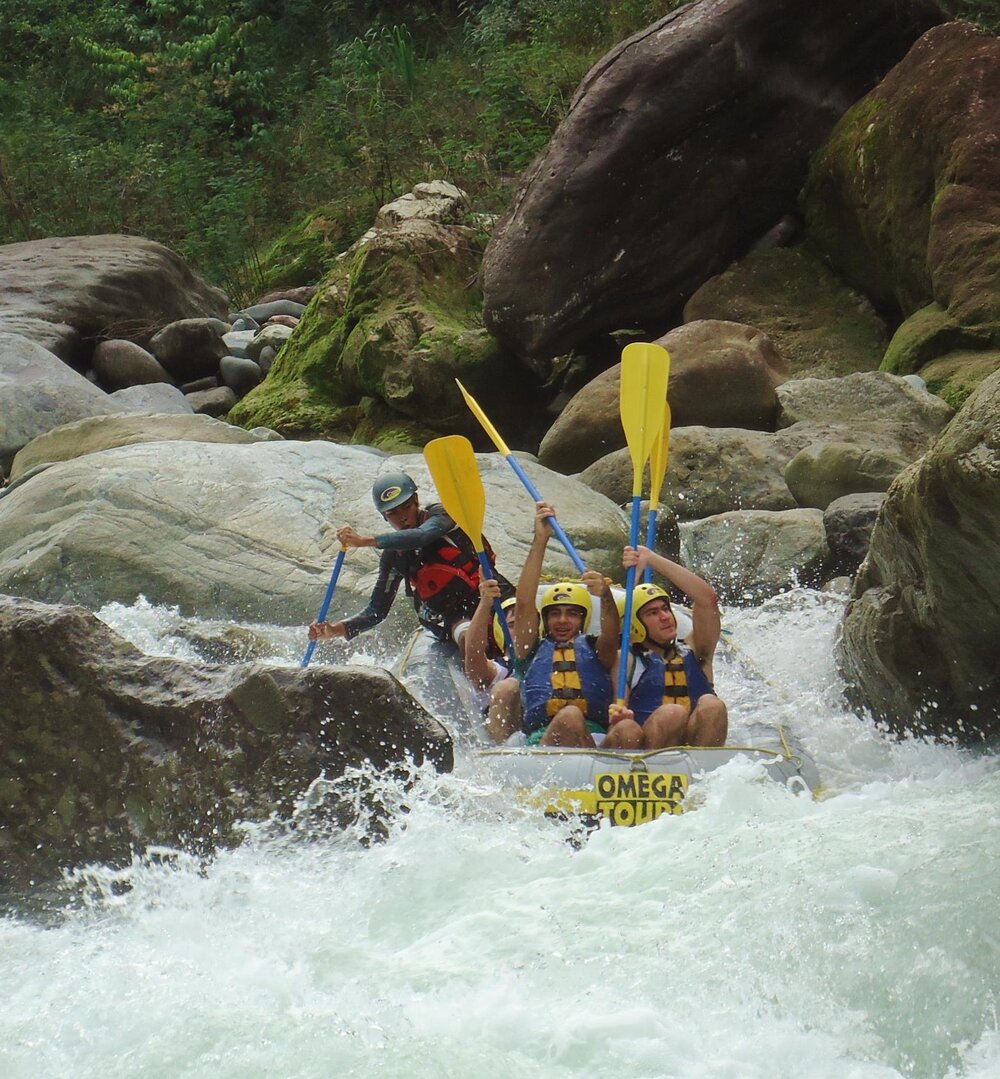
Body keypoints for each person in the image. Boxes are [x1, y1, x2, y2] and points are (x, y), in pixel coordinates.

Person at [308, 471, 511, 648]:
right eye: (392, 513)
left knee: (522, 622)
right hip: (458, 614)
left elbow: (421, 536)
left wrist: (365, 541)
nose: (402, 517)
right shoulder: (394, 556)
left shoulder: (441, 515)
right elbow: (377, 611)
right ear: (384, 517)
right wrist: (334, 630)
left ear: (416, 501)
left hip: (492, 589)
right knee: (468, 639)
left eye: (405, 507)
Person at [513, 502, 620, 747]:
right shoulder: (529, 650)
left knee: (626, 730)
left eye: (572, 614)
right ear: (546, 620)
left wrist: (605, 594)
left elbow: (612, 633)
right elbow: (524, 603)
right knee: (570, 716)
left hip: (594, 737)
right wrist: (540, 540)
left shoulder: (596, 649)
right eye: (555, 614)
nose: (562, 620)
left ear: (583, 621)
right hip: (544, 738)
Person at [605, 545, 728, 750]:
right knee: (673, 712)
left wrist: (651, 558)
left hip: (695, 752)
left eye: (665, 609)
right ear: (635, 624)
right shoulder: (626, 659)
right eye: (653, 613)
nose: (665, 617)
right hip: (648, 751)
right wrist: (620, 717)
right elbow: (618, 718)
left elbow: (707, 599)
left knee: (712, 704)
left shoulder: (696, 650)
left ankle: (705, 773)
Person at [463, 576, 522, 743]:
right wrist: (485, 604)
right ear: (500, 630)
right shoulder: (498, 670)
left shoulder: (547, 662)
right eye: (511, 625)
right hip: (508, 753)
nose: (519, 629)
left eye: (523, 623)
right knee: (509, 687)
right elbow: (473, 652)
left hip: (546, 744)